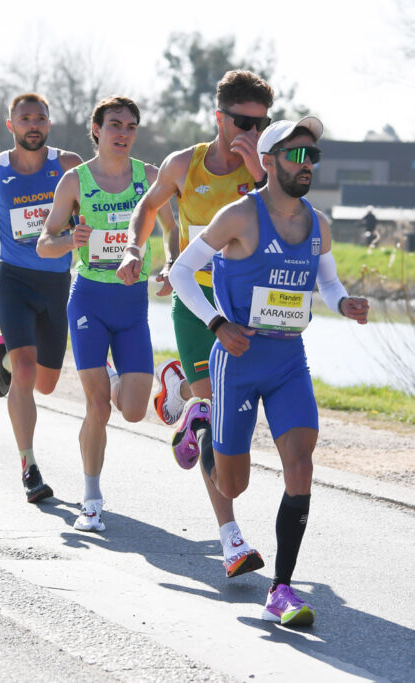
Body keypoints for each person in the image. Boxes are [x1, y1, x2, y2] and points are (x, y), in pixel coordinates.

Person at [168, 116, 369, 626]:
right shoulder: (239, 215)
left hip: (287, 361)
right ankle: (200, 422)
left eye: (313, 156)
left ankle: (281, 589)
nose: (307, 165)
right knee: (232, 485)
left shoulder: (318, 225)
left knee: (300, 466)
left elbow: (329, 282)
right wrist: (216, 323)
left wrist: (344, 303)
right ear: (269, 160)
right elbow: (182, 271)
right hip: (237, 360)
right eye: (297, 155)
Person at [123, 70, 274, 576]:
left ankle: (179, 389)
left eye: (261, 123)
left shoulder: (266, 166)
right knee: (213, 416)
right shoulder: (183, 165)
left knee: (230, 417)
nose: (252, 132)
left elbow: (289, 218)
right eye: (243, 122)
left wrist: (261, 175)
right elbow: (147, 207)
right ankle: (232, 540)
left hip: (246, 305)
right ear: (219, 118)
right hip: (195, 299)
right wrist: (134, 249)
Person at [38, 96, 175, 532]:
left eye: (131, 127)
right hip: (89, 302)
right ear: (96, 130)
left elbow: (171, 229)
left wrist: (171, 265)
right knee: (97, 407)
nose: (123, 133)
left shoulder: (149, 177)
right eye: (115, 124)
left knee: (132, 411)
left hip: (132, 305)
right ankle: (91, 500)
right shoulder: (75, 181)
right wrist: (70, 240)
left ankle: (117, 377)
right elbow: (44, 243)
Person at [0, 93, 83, 504]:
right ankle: (29, 466)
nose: (33, 125)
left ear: (49, 123)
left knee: (46, 383)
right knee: (26, 373)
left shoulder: (68, 165)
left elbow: (90, 211)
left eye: (39, 118)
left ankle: (4, 356)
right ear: (11, 125)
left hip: (56, 283)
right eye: (24, 119)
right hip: (13, 281)